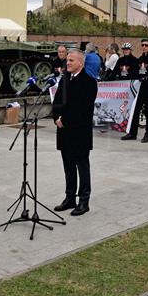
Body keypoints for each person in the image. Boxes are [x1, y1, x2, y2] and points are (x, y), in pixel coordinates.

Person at [52, 49, 98, 216]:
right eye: (67, 60)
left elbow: (82, 109)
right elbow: (56, 101)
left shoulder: (89, 82)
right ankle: (70, 198)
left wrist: (65, 120)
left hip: (79, 132)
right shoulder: (64, 80)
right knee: (68, 167)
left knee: (82, 166)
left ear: (81, 63)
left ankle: (84, 201)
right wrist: (56, 117)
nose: (68, 63)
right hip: (64, 132)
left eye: (71, 60)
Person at [122, 38, 148, 143]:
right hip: (139, 89)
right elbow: (136, 72)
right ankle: (132, 133)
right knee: (135, 111)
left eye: (146, 45)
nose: (144, 47)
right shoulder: (140, 59)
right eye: (142, 45)